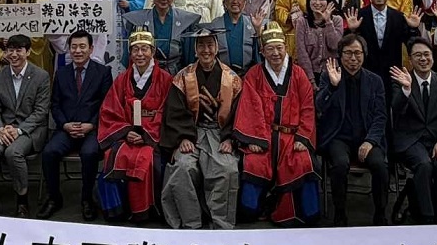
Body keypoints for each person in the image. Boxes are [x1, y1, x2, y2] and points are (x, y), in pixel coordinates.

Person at [234, 22, 319, 225]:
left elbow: (308, 109)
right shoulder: (254, 75)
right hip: (263, 136)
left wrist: (303, 138)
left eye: (279, 47)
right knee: (254, 162)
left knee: (302, 161)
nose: (275, 53)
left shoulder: (298, 75)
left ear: (286, 48)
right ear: (262, 51)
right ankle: (253, 210)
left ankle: (301, 214)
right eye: (270, 48)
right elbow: (249, 109)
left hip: (291, 137)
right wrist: (254, 139)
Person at [161, 26, 242, 229]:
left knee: (227, 169)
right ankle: (191, 224)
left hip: (220, 133)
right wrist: (183, 138)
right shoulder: (183, 77)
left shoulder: (231, 78)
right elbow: (174, 112)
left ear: (217, 48)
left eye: (210, 45)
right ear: (195, 50)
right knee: (182, 167)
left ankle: (221, 224)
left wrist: (230, 138)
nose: (206, 50)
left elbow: (240, 113)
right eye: (201, 46)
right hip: (191, 132)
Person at [98, 28, 174, 221]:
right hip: (126, 133)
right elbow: (110, 110)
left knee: (146, 159)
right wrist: (126, 132)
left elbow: (168, 113)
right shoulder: (122, 80)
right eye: (135, 50)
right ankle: (117, 210)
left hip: (152, 136)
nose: (140, 54)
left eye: (144, 49)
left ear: (153, 51)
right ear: (130, 53)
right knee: (111, 158)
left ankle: (145, 211)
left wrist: (146, 135)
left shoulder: (165, 79)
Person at [316, 34, 389, 226]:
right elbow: (319, 107)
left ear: (364, 55)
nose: (353, 58)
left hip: (367, 137)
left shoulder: (375, 81)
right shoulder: (328, 76)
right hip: (338, 136)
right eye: (348, 53)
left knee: (380, 166)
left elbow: (381, 116)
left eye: (357, 53)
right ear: (340, 55)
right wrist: (332, 87)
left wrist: (370, 141)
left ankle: (380, 213)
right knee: (339, 165)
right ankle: (340, 213)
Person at [40, 29, 112, 220]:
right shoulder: (61, 73)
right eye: (74, 47)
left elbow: (107, 105)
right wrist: (65, 125)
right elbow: (55, 104)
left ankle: (87, 199)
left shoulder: (103, 72)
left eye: (82, 47)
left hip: (92, 129)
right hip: (67, 128)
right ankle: (54, 197)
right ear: (69, 50)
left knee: (89, 154)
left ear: (91, 48)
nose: (78, 51)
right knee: (49, 152)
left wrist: (92, 125)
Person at [0, 34, 51, 217]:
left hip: (29, 130)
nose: (14, 54)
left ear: (27, 52)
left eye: (19, 50)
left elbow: (40, 112)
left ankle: (22, 200)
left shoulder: (41, 76)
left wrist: (19, 130)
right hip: (3, 129)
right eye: (10, 50)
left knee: (13, 152)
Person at [390, 39, 437, 224]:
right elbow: (396, 110)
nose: (423, 59)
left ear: (433, 57)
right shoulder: (401, 81)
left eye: (426, 54)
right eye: (418, 55)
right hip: (411, 140)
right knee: (424, 164)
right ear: (410, 60)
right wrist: (406, 89)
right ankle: (426, 218)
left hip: (436, 140)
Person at [353, 0, 420, 91]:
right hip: (366, 72)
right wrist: (352, 29)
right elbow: (351, 43)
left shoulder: (399, 17)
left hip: (392, 73)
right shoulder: (360, 16)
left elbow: (411, 43)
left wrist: (413, 28)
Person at [123, 0, 199, 72]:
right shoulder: (138, 19)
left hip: (176, 71)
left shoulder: (185, 20)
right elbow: (130, 53)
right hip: (147, 71)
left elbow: (189, 54)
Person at [207, 0, 261, 73]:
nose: (235, 1)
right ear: (225, 2)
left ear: (245, 2)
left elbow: (258, 55)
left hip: (247, 75)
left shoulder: (252, 24)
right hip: (221, 75)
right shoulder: (215, 24)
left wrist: (258, 30)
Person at [292, 0, 343, 81]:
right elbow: (302, 52)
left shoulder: (337, 20)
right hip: (309, 73)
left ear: (328, 2)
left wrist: (328, 21)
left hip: (332, 73)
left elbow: (334, 46)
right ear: (308, 2)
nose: (317, 3)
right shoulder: (302, 22)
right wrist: (310, 79)